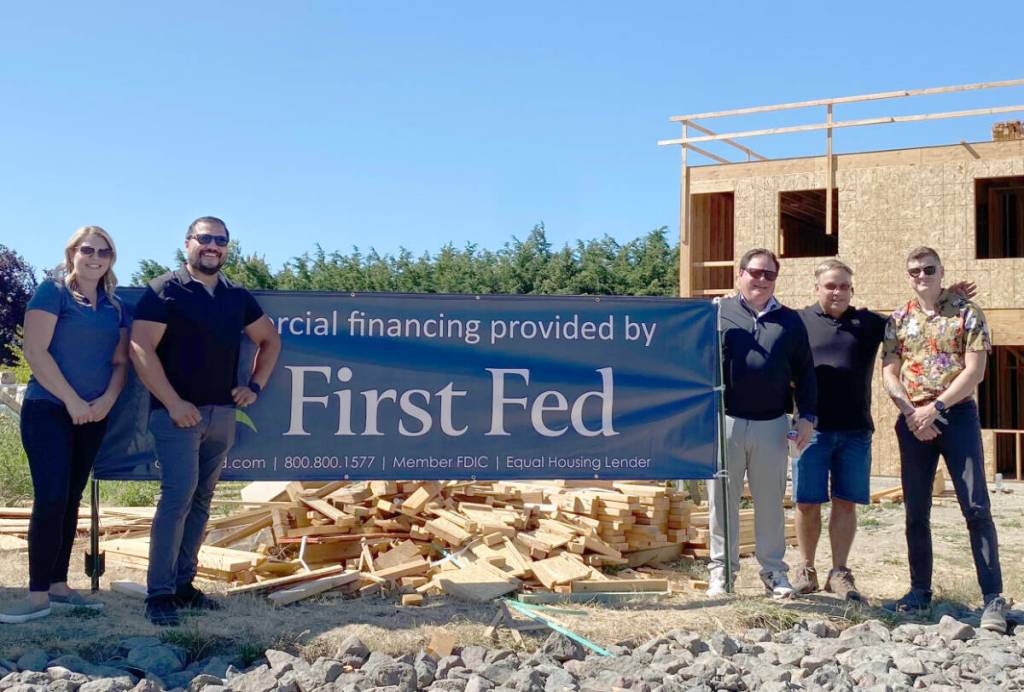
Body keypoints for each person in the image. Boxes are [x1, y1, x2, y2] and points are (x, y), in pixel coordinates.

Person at [792, 259, 977, 601]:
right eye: (830, 286)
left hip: (856, 430)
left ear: (852, 290)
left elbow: (914, 319)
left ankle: (839, 572)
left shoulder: (870, 323)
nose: (837, 292)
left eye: (844, 286)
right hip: (809, 430)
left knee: (846, 502)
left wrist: (943, 296)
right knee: (806, 502)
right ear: (817, 288)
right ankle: (806, 568)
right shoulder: (798, 321)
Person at [130, 216, 280, 626]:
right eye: (205, 239)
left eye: (220, 240)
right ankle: (159, 595)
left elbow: (270, 340)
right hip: (176, 417)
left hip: (221, 416)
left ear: (227, 247)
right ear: (188, 243)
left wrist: (255, 386)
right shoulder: (164, 290)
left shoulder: (237, 296)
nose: (212, 246)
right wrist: (173, 403)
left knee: (201, 501)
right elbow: (140, 348)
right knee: (177, 499)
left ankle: (183, 586)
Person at [0, 227, 128, 624]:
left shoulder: (115, 306)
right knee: (51, 498)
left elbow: (120, 363)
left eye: (104, 252)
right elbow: (35, 351)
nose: (95, 257)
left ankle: (58, 586)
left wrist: (106, 401)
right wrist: (72, 400)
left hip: (93, 415)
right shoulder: (51, 292)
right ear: (72, 252)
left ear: (111, 258)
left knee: (71, 499)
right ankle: (36, 596)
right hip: (49, 410)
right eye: (88, 249)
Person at [881, 246, 1008, 633]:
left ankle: (993, 597)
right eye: (914, 271)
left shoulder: (968, 313)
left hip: (956, 416)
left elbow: (975, 372)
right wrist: (912, 413)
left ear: (941, 270)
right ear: (908, 276)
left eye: (928, 269)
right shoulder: (898, 319)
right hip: (912, 420)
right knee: (916, 511)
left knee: (976, 506)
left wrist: (935, 408)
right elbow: (889, 372)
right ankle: (919, 591)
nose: (922, 276)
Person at [707, 248, 817, 598]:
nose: (762, 280)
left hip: (772, 423)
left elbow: (806, 372)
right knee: (722, 502)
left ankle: (774, 573)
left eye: (769, 274)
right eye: (755, 272)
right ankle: (722, 573)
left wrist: (807, 417)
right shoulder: (716, 313)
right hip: (725, 422)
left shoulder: (790, 320)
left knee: (770, 504)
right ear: (739, 274)